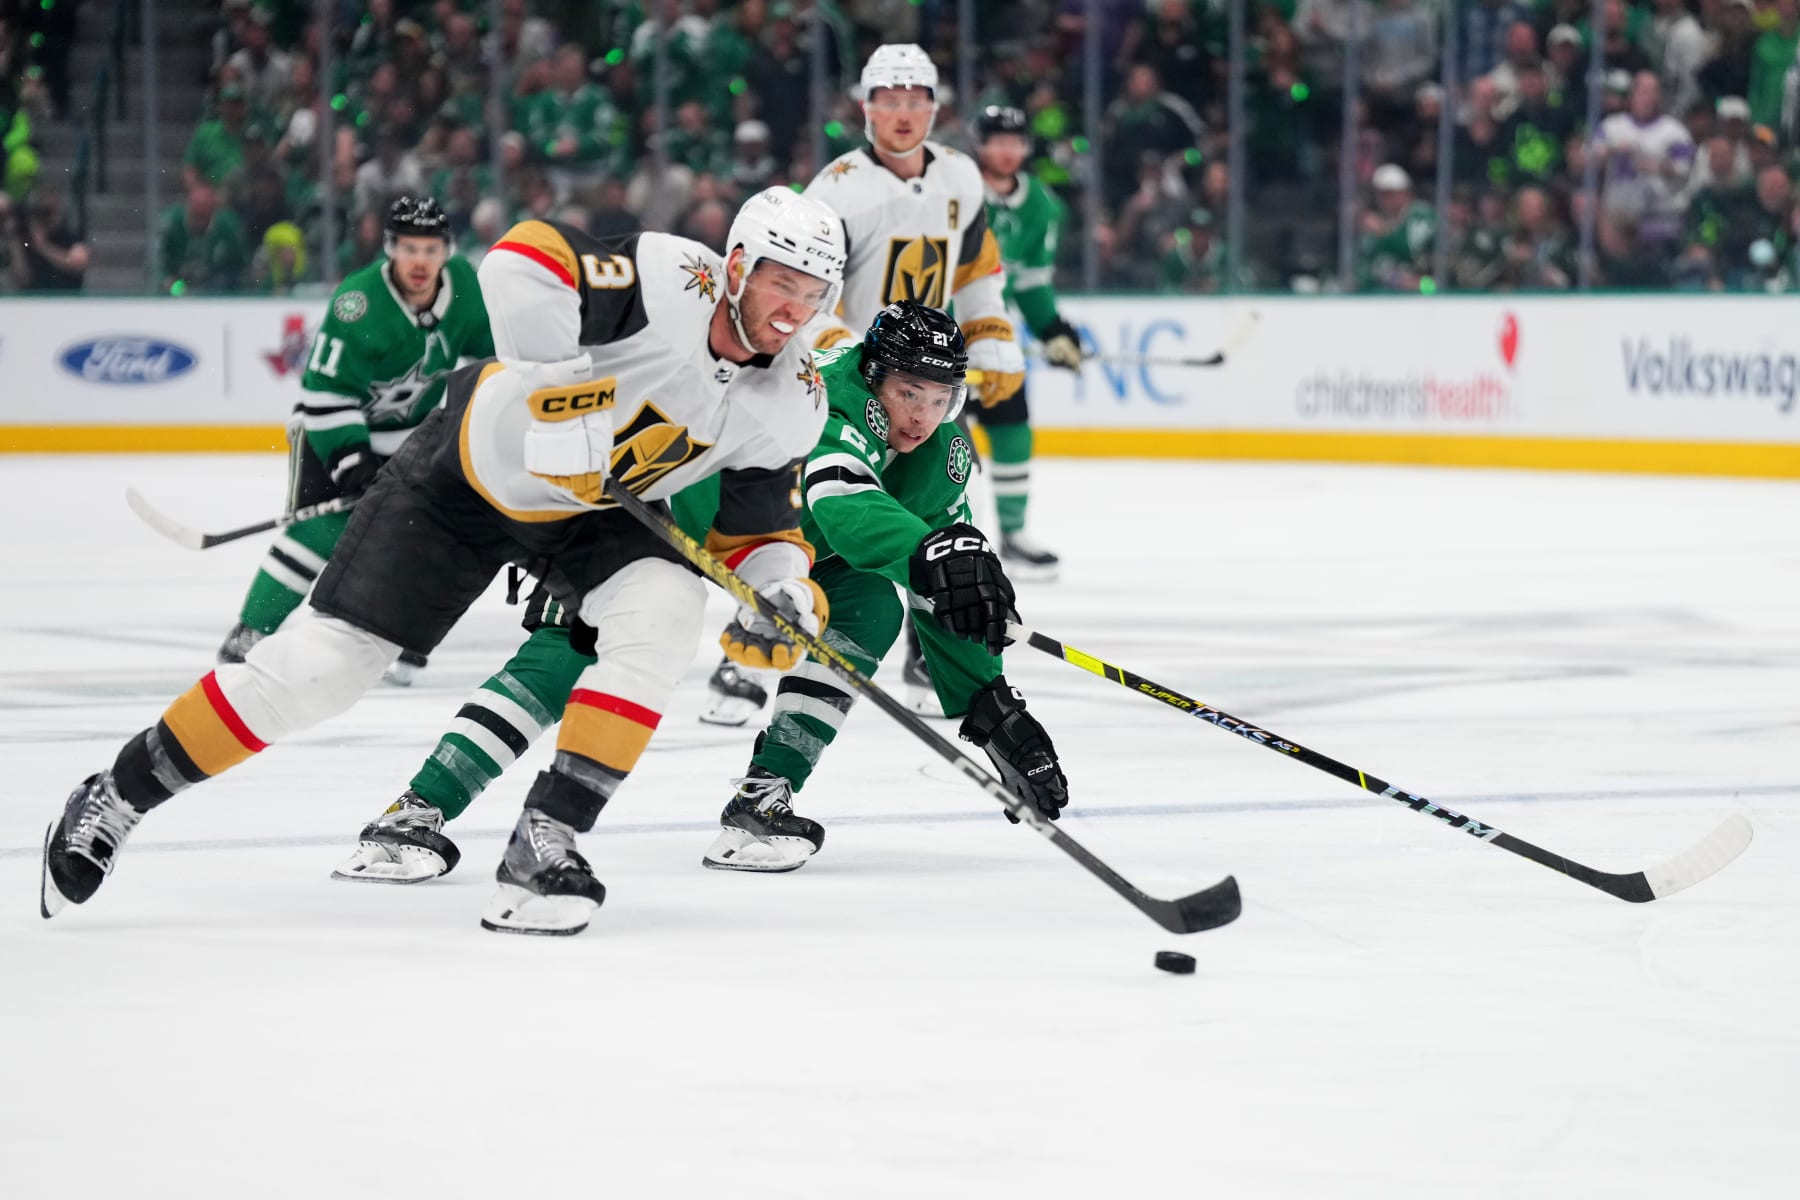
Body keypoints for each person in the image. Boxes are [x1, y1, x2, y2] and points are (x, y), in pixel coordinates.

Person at [40, 186, 848, 937]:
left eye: (815, 294)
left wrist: (779, 587)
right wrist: (559, 393)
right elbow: (521, 261)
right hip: (467, 473)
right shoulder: (672, 278)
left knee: (667, 612)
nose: (795, 309)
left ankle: (547, 838)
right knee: (322, 671)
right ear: (738, 264)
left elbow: (754, 524)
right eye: (784, 282)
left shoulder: (795, 396)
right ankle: (115, 795)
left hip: (596, 512)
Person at [329, 302, 1066, 884]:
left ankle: (760, 806)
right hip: (682, 502)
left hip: (785, 538)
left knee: (871, 602)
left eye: (940, 399)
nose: (921, 415)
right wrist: (930, 550)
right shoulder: (835, 400)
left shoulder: (941, 448)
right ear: (874, 376)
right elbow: (839, 493)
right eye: (908, 393)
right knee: (576, 644)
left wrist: (990, 706)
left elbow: (945, 581)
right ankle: (413, 813)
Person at [215, 196, 494, 685]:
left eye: (430, 249)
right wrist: (352, 460)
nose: (420, 262)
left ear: (447, 250)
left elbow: (483, 369)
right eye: (408, 248)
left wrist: (460, 433)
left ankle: (406, 637)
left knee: (424, 535)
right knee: (320, 530)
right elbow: (325, 394)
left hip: (416, 438)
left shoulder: (468, 289)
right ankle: (250, 633)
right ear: (389, 248)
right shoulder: (357, 303)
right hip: (334, 431)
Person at [972, 105, 1082, 578]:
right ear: (979, 145)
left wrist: (1054, 330)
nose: (1007, 150)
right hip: (939, 334)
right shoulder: (954, 193)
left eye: (1015, 142)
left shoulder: (1041, 205)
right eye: (997, 140)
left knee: (1013, 425)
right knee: (938, 442)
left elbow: (1033, 283)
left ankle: (1014, 536)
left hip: (994, 338)